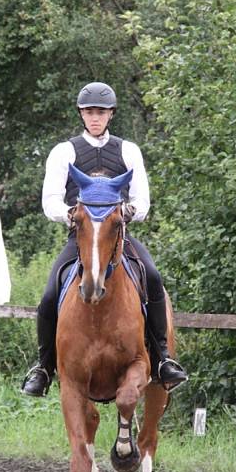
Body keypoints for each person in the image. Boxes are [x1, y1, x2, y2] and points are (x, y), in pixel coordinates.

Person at [21, 81, 188, 397]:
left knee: (152, 277)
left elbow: (142, 200)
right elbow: (50, 199)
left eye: (100, 112)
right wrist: (69, 214)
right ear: (81, 114)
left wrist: (127, 213)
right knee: (48, 294)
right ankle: (43, 367)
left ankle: (163, 358)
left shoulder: (128, 150)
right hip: (81, 237)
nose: (94, 117)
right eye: (89, 112)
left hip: (117, 237)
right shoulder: (64, 151)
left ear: (110, 114)